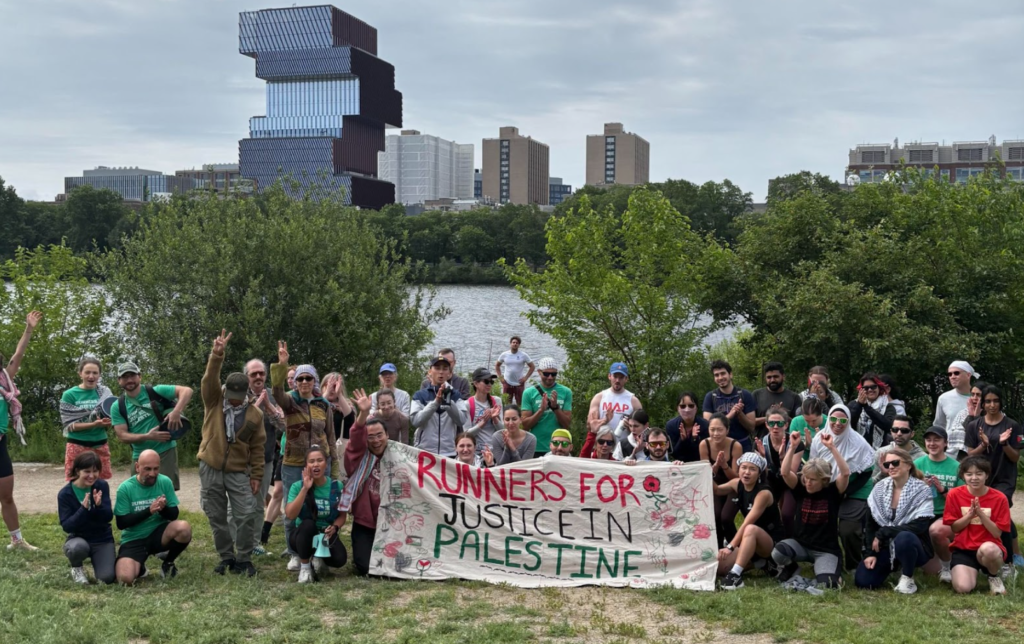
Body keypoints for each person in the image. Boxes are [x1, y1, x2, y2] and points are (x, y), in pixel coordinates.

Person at [197, 330, 266, 577]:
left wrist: (257, 474)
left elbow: (258, 448)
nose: (235, 402)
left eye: (240, 397)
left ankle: (244, 558)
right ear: (226, 391)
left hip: (239, 471)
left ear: (247, 393)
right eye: (232, 397)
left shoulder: (254, 414)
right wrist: (217, 355)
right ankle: (226, 556)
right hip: (210, 466)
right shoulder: (214, 400)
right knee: (216, 515)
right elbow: (209, 379)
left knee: (246, 514)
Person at [270, 341, 341, 572]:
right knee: (293, 508)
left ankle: (319, 552)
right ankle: (294, 552)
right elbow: (276, 391)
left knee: (323, 507)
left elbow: (330, 437)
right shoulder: (290, 401)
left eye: (308, 379)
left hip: (322, 461)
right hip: (293, 462)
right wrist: (282, 365)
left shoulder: (323, 404)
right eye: (299, 379)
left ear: (314, 381)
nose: (303, 383)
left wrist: (335, 468)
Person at [772, 431, 850, 588]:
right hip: (801, 545)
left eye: (813, 480)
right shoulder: (801, 488)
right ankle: (792, 567)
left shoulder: (833, 491)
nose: (808, 482)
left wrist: (832, 448)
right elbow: (785, 473)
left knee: (828, 584)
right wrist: (793, 447)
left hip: (826, 550)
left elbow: (846, 472)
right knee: (778, 552)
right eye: (806, 478)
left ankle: (825, 572)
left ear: (824, 480)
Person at [855, 448, 935, 594]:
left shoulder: (922, 489)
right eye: (887, 465)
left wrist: (884, 532)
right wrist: (869, 554)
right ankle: (892, 567)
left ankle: (907, 577)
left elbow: (920, 526)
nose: (891, 467)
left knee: (904, 536)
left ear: (908, 465)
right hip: (884, 546)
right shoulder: (879, 488)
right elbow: (870, 524)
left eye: (895, 463)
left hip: (914, 546)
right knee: (864, 582)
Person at [809, 404, 876, 570]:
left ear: (849, 421)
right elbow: (814, 465)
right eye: (833, 419)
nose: (837, 423)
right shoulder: (819, 438)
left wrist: (846, 491)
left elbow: (867, 471)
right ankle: (823, 559)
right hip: (829, 487)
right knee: (821, 522)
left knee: (848, 529)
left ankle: (853, 565)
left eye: (843, 420)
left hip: (856, 489)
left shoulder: (858, 442)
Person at [963, 384, 1023, 568]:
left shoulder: (1012, 425)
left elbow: (1015, 457)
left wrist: (1004, 443)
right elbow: (969, 456)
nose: (992, 405)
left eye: (995, 401)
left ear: (1001, 402)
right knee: (988, 514)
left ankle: (1010, 558)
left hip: (1004, 477)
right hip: (980, 478)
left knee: (1000, 510)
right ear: (982, 403)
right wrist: (983, 445)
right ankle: (985, 551)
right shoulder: (974, 425)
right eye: (988, 401)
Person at [111, 360, 193, 491]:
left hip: (165, 451)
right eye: (125, 377)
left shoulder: (155, 391)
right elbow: (122, 436)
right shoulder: (118, 406)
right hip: (139, 455)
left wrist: (177, 411)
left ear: (140, 376)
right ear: (119, 381)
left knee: (166, 492)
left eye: (132, 375)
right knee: (140, 494)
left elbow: (187, 391)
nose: (129, 380)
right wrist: (148, 436)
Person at [114, 449, 192, 583]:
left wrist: (162, 509)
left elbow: (174, 514)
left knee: (184, 528)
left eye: (156, 469)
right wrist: (148, 511)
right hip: (134, 538)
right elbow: (121, 523)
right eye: (147, 469)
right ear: (137, 467)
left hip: (158, 535)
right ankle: (140, 568)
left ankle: (168, 563)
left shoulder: (165, 481)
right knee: (125, 578)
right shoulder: (125, 488)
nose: (152, 473)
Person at [0, 311, 42, 551]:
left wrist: (28, 329)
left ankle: (16, 540)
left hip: (0, 444)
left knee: (6, 496)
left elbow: (18, 355)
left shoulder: (5, 380)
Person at [714, 452, 785, 590]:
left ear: (759, 473)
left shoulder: (763, 493)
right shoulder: (737, 483)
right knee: (719, 568)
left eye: (752, 469)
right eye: (743, 467)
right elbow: (716, 490)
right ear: (738, 469)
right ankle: (762, 563)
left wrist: (730, 547)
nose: (746, 472)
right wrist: (710, 471)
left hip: (771, 542)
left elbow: (747, 522)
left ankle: (736, 576)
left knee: (750, 528)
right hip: (749, 540)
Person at [943, 456, 1010, 595]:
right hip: (963, 548)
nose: (974, 478)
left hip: (989, 546)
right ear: (963, 476)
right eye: (969, 474)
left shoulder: (999, 498)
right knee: (963, 588)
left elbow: (997, 533)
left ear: (986, 475)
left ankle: (993, 576)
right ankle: (969, 571)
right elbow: (955, 528)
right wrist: (969, 515)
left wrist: (981, 514)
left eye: (979, 473)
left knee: (990, 549)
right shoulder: (954, 494)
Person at [340, 389, 387, 576]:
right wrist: (363, 414)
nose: (375, 440)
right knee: (366, 567)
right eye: (371, 436)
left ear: (387, 435)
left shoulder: (399, 457)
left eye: (379, 435)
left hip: (393, 524)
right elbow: (356, 437)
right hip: (365, 523)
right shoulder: (359, 458)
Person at [285, 445, 347, 583]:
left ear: (326, 463)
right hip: (303, 536)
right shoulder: (297, 486)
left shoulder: (337, 486)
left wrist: (335, 527)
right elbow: (290, 515)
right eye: (311, 461)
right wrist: (305, 489)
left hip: (325, 535)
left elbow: (342, 516)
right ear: (306, 466)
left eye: (320, 460)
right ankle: (305, 567)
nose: (316, 464)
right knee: (308, 524)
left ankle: (319, 558)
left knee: (340, 559)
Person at [243, 356, 284, 557]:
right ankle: (238, 542)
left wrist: (268, 405)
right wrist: (255, 410)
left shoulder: (272, 396)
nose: (258, 377)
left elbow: (284, 426)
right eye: (254, 374)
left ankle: (254, 543)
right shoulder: (237, 394)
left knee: (258, 502)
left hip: (265, 458)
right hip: (239, 460)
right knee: (239, 503)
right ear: (246, 377)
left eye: (261, 373)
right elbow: (235, 426)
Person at [913, 426, 964, 582]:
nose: (932, 443)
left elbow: (961, 501)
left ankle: (948, 566)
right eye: (929, 440)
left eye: (937, 440)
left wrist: (942, 490)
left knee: (936, 531)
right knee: (931, 571)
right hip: (922, 513)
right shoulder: (916, 464)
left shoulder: (956, 466)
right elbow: (907, 496)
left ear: (946, 443)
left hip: (946, 514)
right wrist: (922, 488)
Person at [58, 451, 115, 584]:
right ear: (77, 471)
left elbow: (108, 517)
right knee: (76, 548)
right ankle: (77, 568)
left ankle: (101, 560)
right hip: (79, 537)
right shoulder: (65, 494)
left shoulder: (101, 486)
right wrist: (83, 509)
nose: (91, 475)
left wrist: (99, 506)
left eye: (95, 471)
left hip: (102, 539)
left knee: (107, 578)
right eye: (87, 471)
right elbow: (67, 526)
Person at [59, 356, 114, 482]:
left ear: (99, 375)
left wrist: (107, 423)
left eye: (95, 373)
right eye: (87, 372)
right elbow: (69, 426)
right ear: (80, 374)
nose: (91, 376)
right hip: (77, 445)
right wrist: (94, 424)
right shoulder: (70, 394)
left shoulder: (105, 393)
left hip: (100, 444)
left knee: (100, 483)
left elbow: (110, 418)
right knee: (76, 482)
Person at [700, 413, 743, 544]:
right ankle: (718, 548)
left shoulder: (735, 446)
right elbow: (706, 473)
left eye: (720, 430)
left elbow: (736, 477)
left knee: (726, 517)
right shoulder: (704, 444)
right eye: (712, 429)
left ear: (727, 430)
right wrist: (715, 466)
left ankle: (734, 547)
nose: (716, 433)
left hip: (733, 486)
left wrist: (724, 466)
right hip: (714, 484)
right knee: (715, 515)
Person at [412, 355, 466, 458]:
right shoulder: (419, 395)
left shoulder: (456, 395)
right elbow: (415, 421)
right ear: (430, 372)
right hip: (425, 452)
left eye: (445, 369)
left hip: (449, 453)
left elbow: (461, 420)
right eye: (437, 368)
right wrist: (435, 402)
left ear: (449, 373)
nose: (441, 372)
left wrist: (449, 402)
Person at [521, 357, 572, 456]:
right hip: (536, 446)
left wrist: (556, 408)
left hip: (558, 447)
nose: (550, 377)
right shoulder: (528, 393)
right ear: (539, 372)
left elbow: (566, 424)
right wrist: (541, 410)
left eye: (553, 374)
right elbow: (525, 426)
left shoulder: (566, 392)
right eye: (546, 374)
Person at [703, 360, 756, 452]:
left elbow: (751, 427)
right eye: (716, 375)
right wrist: (730, 415)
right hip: (719, 447)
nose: (720, 377)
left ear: (730, 374)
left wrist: (740, 413)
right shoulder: (710, 397)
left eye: (723, 373)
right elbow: (708, 425)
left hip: (743, 445)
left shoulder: (745, 395)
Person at [759, 406, 797, 538]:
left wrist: (782, 458)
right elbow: (760, 475)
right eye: (771, 423)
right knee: (764, 511)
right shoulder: (760, 443)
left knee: (787, 514)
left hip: (790, 482)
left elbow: (791, 474)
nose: (775, 427)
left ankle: (790, 542)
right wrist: (763, 460)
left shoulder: (795, 443)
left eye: (780, 423)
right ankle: (769, 539)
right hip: (771, 481)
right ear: (766, 425)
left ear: (786, 425)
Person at [588, 362, 643, 440]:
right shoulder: (599, 397)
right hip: (603, 447)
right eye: (615, 376)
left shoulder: (634, 401)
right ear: (609, 376)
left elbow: (642, 430)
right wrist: (605, 420)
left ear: (626, 379)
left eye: (621, 377)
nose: (617, 380)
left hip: (624, 448)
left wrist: (630, 427)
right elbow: (590, 425)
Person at [848, 373, 897, 449]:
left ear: (879, 387)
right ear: (861, 390)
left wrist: (867, 407)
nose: (870, 390)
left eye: (873, 387)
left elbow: (888, 426)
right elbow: (849, 424)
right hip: (856, 448)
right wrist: (859, 405)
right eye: (866, 388)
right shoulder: (853, 404)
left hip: (880, 449)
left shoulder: (888, 406)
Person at [459, 367, 504, 451]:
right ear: (476, 384)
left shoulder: (496, 401)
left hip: (496, 450)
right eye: (486, 381)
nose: (489, 384)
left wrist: (494, 418)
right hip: (477, 451)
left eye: (491, 382)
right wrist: (483, 421)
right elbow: (466, 434)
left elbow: (502, 430)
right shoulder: (468, 404)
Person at [753, 362, 801, 437]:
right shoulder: (756, 395)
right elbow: (750, 422)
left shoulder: (794, 397)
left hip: (787, 443)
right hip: (761, 443)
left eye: (776, 377)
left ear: (783, 377)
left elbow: (799, 424)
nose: (772, 380)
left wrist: (783, 415)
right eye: (769, 377)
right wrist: (770, 417)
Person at [934, 360, 978, 441]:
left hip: (977, 449)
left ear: (968, 375)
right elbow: (939, 426)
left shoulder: (980, 397)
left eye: (956, 373)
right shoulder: (944, 398)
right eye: (949, 374)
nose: (952, 376)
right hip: (951, 450)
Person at [872, 415, 925, 481]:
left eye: (904, 430)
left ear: (912, 434)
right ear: (891, 431)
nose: (899, 433)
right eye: (895, 430)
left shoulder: (922, 457)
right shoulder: (881, 453)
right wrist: (883, 473)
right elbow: (871, 485)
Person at [666, 392, 709, 463]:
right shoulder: (671, 425)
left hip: (699, 463)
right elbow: (674, 453)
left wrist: (694, 439)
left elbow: (702, 453)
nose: (687, 409)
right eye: (683, 406)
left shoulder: (705, 425)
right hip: (679, 464)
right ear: (677, 408)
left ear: (696, 408)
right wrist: (682, 440)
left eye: (691, 406)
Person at [949, 381, 987, 460]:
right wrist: (971, 416)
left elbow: (982, 436)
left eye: (978, 395)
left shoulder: (994, 414)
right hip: (965, 457)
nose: (975, 398)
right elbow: (963, 437)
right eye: (973, 394)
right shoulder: (963, 413)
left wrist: (977, 416)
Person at [495, 336, 535, 406]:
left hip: (519, 383)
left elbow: (532, 367)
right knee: (507, 403)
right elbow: (497, 366)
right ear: (510, 344)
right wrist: (500, 377)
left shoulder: (523, 355)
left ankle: (520, 416)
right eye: (513, 342)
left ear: (519, 345)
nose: (515, 344)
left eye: (517, 343)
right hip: (507, 383)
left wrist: (525, 378)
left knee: (520, 404)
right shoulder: (504, 354)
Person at [322, 372, 355, 452]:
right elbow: (314, 411)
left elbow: (351, 420)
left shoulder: (346, 406)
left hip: (339, 450)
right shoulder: (317, 403)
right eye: (328, 385)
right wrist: (326, 394)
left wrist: (339, 394)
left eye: (334, 386)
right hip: (321, 450)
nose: (331, 389)